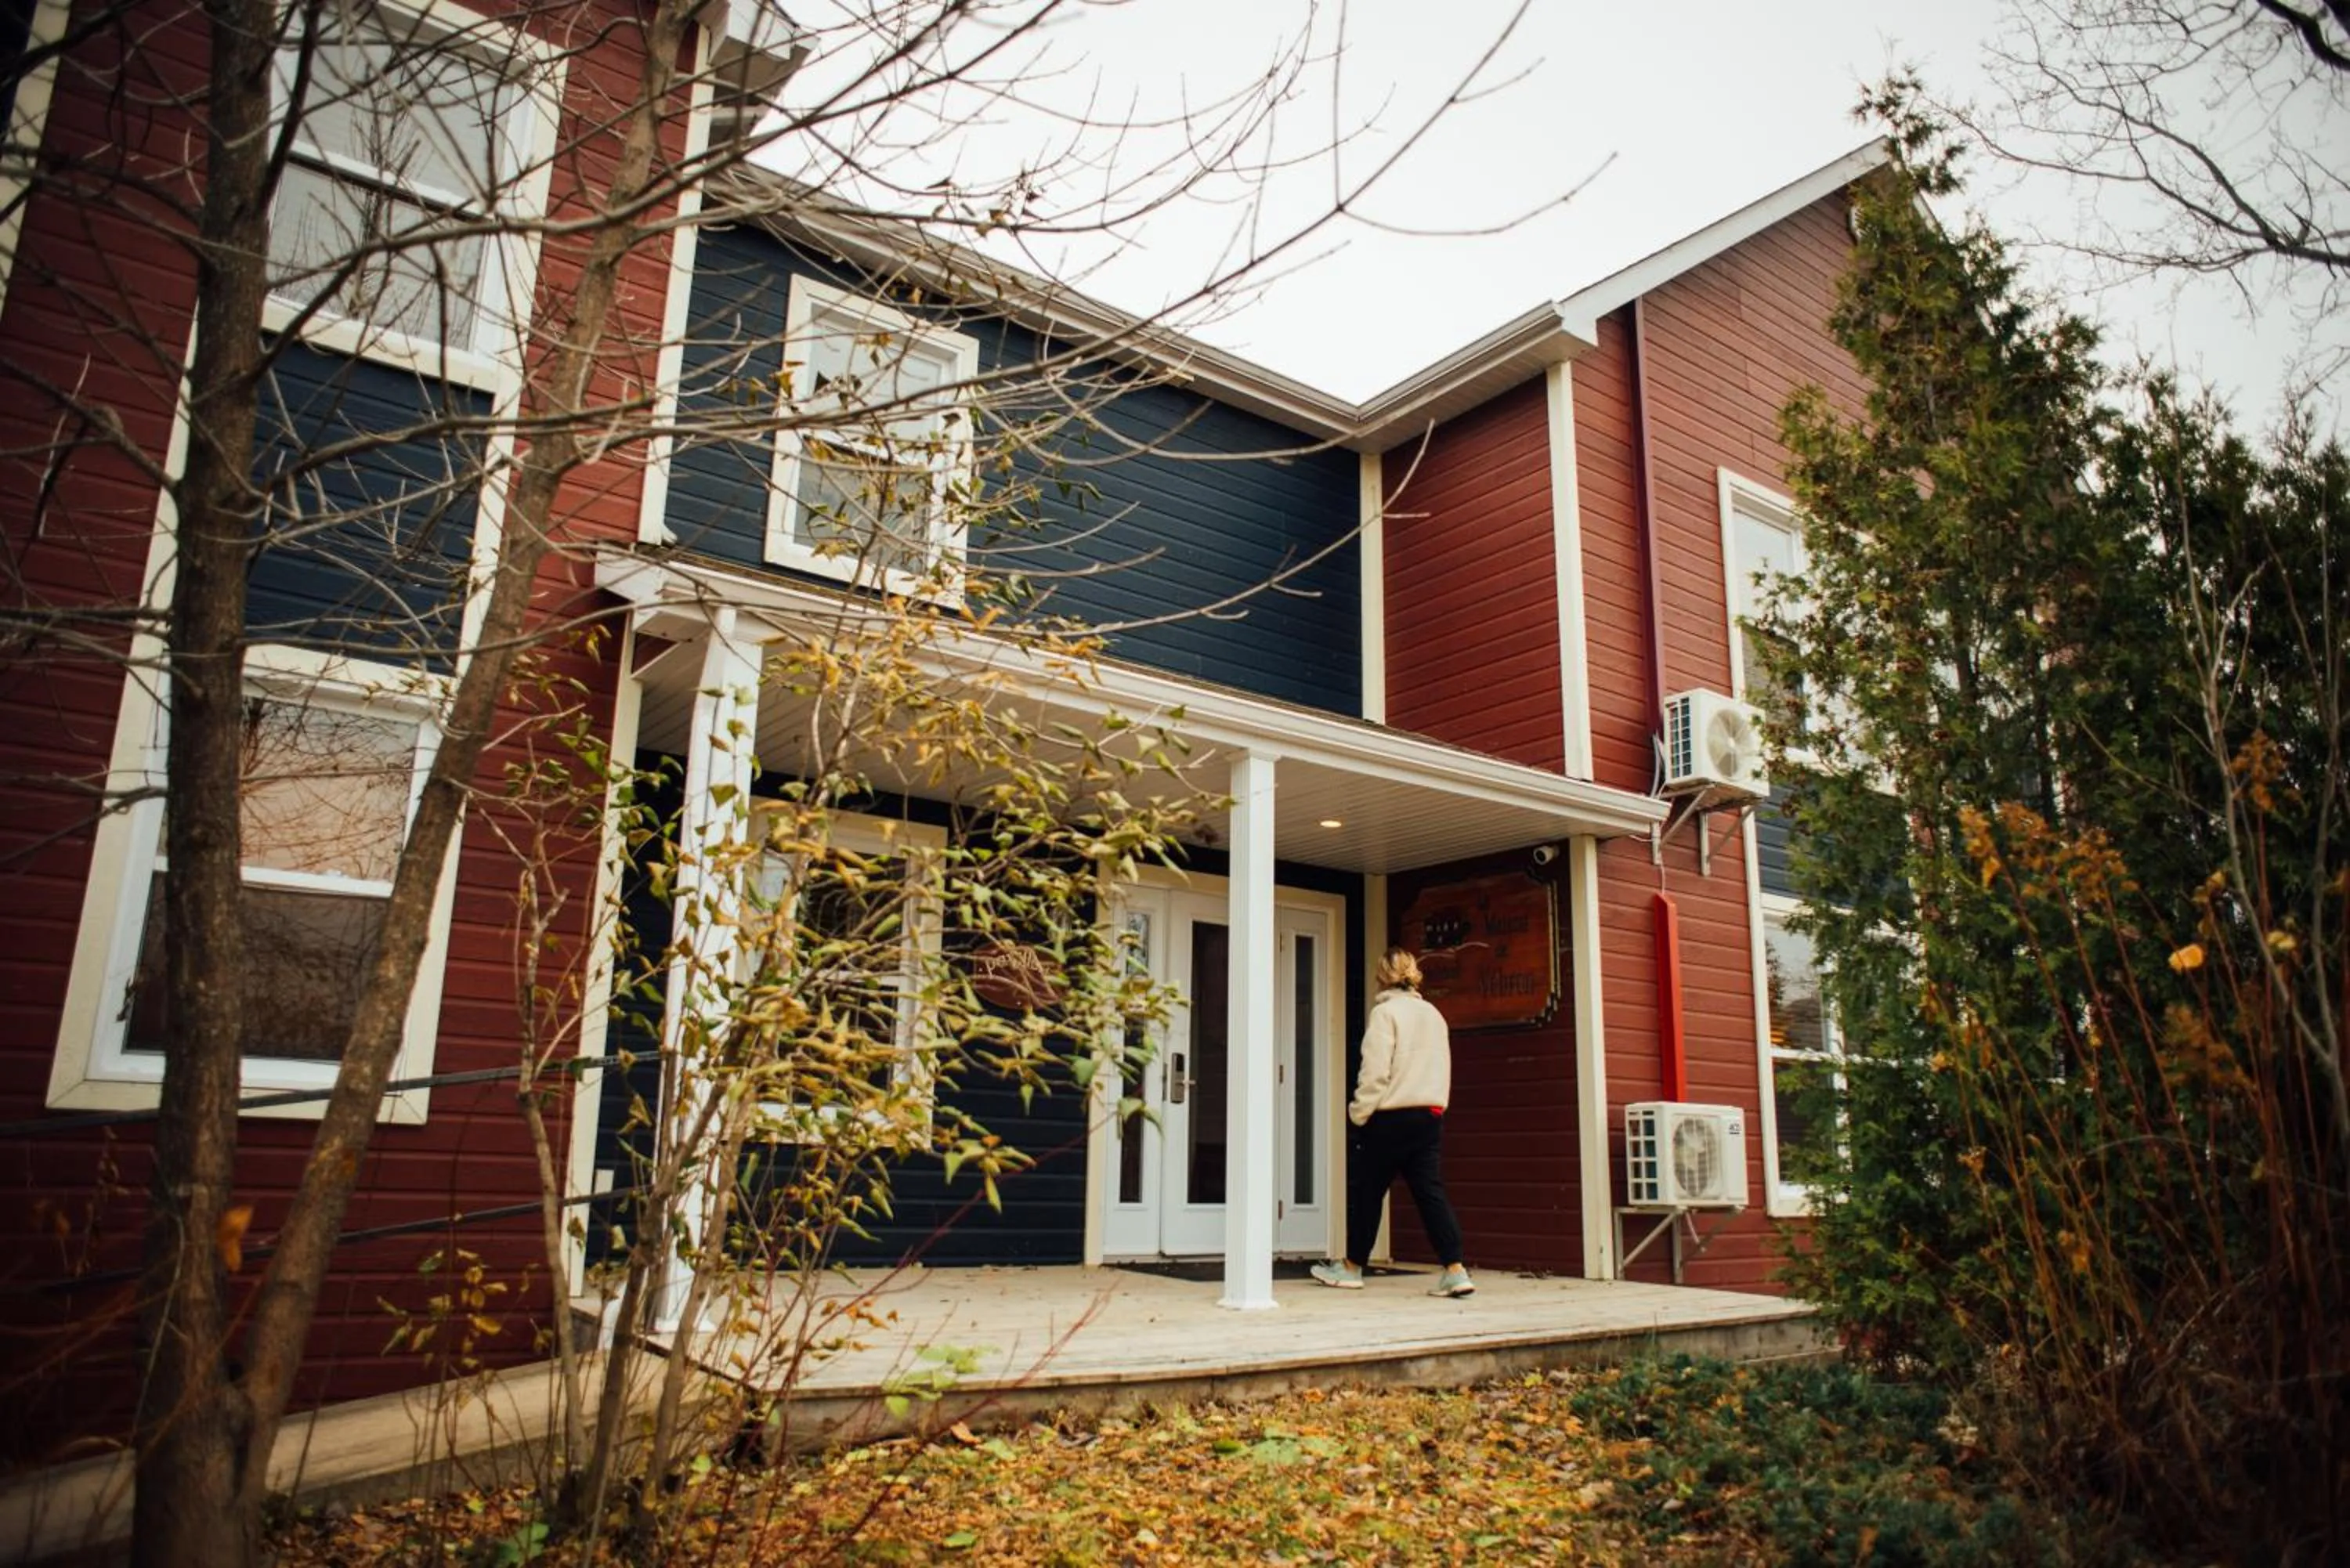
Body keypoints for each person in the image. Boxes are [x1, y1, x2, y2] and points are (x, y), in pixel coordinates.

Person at [1311, 948, 1475, 1298]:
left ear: (1382, 976)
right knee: (1430, 1193)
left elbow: (1375, 1072)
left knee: (1369, 1192)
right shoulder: (1434, 1015)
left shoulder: (1385, 1014)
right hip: (1429, 1114)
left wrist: (1358, 1112)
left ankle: (1352, 1268)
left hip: (1390, 1117)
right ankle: (1455, 1270)